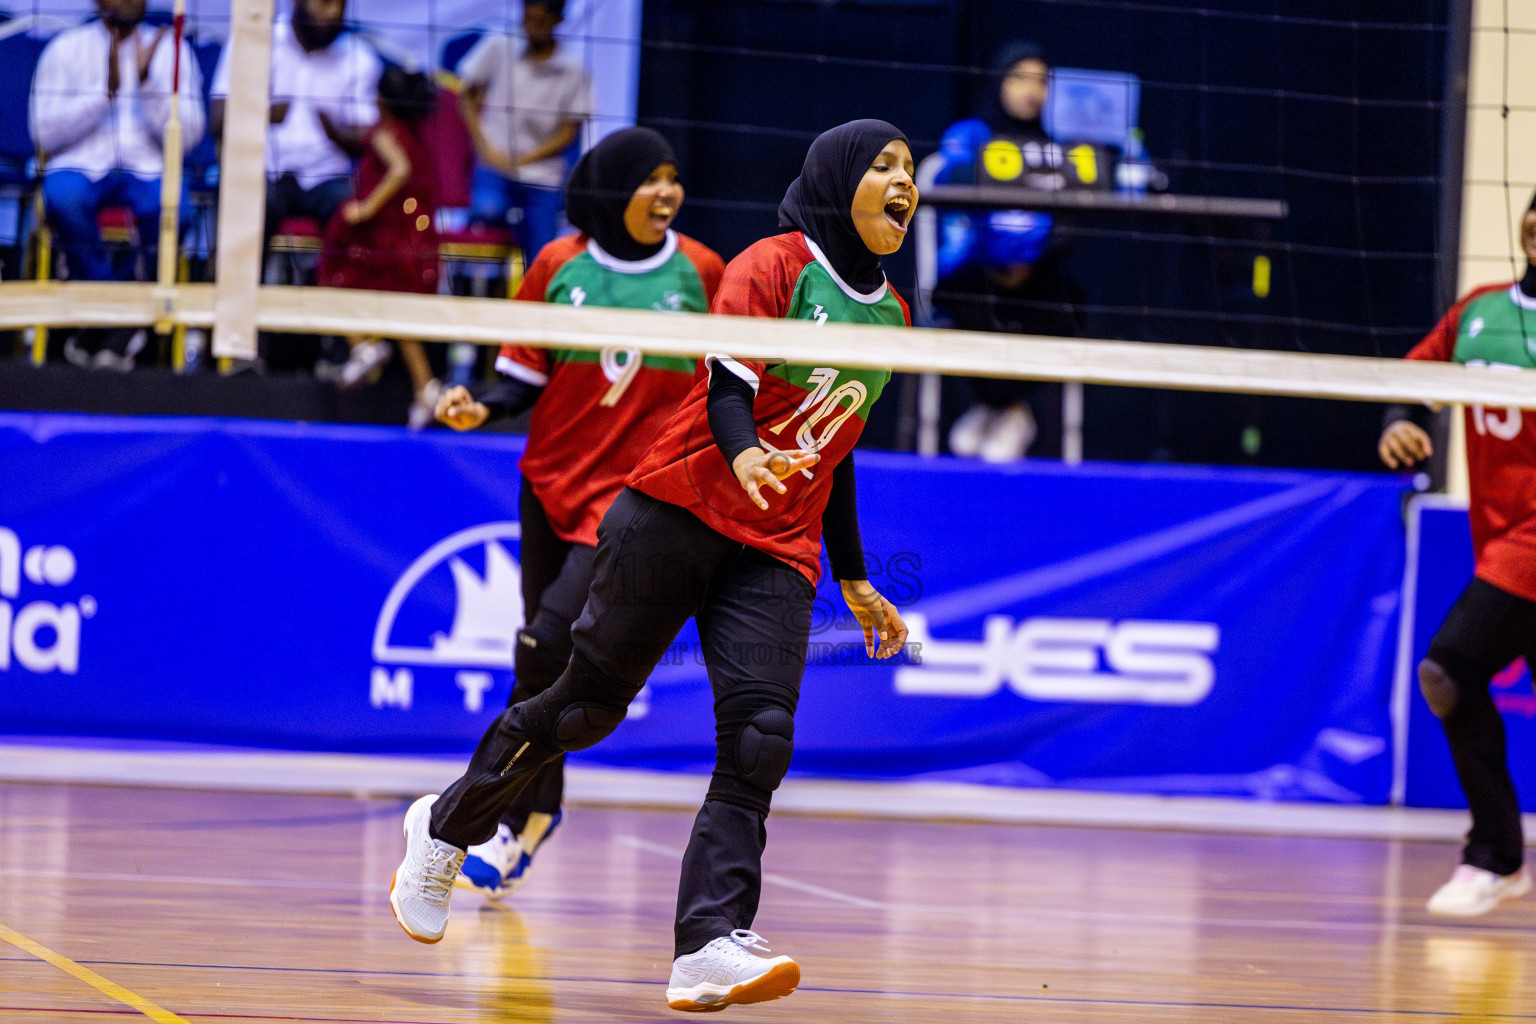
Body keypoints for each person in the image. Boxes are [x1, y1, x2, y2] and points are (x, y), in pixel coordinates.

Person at [390, 120, 915, 1014]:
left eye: (913, 170)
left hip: (777, 545)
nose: (906, 182)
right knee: (584, 706)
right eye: (886, 166)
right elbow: (728, 385)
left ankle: (708, 942)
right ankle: (444, 828)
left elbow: (840, 445)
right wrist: (745, 454)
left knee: (760, 739)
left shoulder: (892, 316)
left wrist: (856, 575)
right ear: (837, 178)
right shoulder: (773, 264)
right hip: (675, 510)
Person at [430, 125, 724, 894]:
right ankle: (525, 819)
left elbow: (725, 386)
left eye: (674, 177)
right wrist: (476, 408)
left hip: (635, 499)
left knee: (545, 641)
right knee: (540, 657)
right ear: (611, 188)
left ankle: (514, 819)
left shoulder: (702, 271)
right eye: (650, 179)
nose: (668, 192)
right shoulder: (558, 266)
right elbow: (519, 380)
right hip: (549, 484)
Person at [1379, 191, 1536, 918]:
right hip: (1496, 535)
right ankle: (1500, 856)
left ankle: (1495, 854)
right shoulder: (1479, 311)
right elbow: (1417, 375)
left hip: (1529, 543)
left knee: (1447, 669)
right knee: (1453, 677)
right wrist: (1402, 421)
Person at [29, 0, 205, 370]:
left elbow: (188, 137)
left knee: (173, 208)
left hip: (148, 169)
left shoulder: (172, 51)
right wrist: (103, 96)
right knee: (62, 197)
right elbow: (42, 132)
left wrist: (147, 86)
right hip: (80, 165)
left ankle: (102, 324)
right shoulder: (66, 47)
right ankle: (120, 318)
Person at [933, 42, 1080, 461]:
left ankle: (995, 408)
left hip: (1038, 277)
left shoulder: (1062, 149)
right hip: (975, 273)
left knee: (1068, 302)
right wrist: (995, 261)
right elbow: (952, 203)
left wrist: (1028, 263)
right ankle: (1009, 407)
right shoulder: (969, 137)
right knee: (962, 298)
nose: (1032, 90)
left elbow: (1071, 223)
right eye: (1021, 78)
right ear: (1000, 81)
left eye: (1042, 81)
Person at [316, 67, 442, 428]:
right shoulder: (415, 137)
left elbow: (399, 170)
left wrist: (366, 207)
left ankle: (363, 345)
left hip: (384, 236)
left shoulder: (385, 133)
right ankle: (426, 388)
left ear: (380, 100)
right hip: (413, 235)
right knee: (401, 317)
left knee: (336, 278)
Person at [210, 0, 382, 262]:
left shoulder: (359, 58)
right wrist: (263, 113)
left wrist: (336, 132)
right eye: (325, 3)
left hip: (327, 177)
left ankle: (338, 297)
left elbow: (369, 137)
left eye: (341, 5)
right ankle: (231, 295)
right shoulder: (254, 41)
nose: (334, 13)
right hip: (261, 172)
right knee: (242, 201)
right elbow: (217, 120)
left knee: (359, 211)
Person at [456, 0, 592, 264]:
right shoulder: (499, 46)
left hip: (542, 175)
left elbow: (568, 133)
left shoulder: (573, 71)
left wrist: (523, 160)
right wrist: (486, 150)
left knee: (543, 251)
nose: (532, 26)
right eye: (528, 18)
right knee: (485, 214)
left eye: (541, 20)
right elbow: (466, 98)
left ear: (558, 19)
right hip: (493, 167)